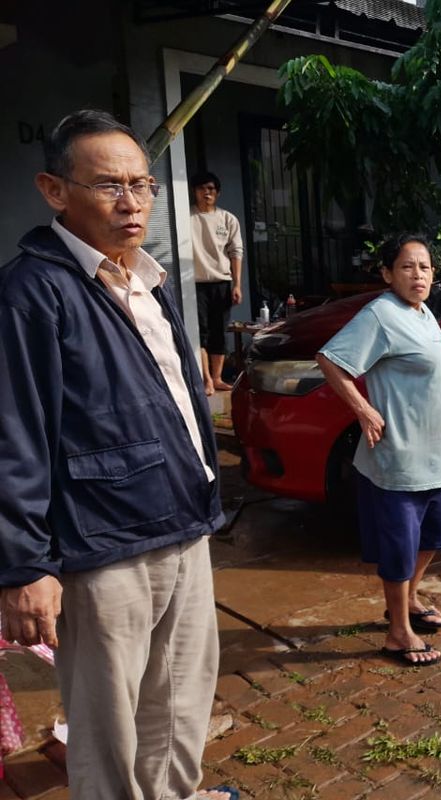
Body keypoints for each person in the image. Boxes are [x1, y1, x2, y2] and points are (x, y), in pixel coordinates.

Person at [0, 110, 235, 800]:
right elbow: (15, 433)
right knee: (110, 729)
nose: (130, 201)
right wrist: (26, 565)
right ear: (53, 189)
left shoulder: (148, 281)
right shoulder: (31, 293)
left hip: (182, 526)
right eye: (108, 185)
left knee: (180, 706)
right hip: (102, 548)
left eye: (141, 184)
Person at [316, 234, 441, 666]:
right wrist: (363, 410)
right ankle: (398, 633)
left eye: (425, 267)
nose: (418, 275)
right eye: (406, 267)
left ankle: (410, 601)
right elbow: (331, 360)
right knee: (399, 547)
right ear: (387, 274)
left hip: (438, 457)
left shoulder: (422, 312)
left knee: (437, 533)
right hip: (398, 459)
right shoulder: (380, 314)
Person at [189, 171, 244, 395]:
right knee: (200, 332)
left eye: (211, 189)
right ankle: (206, 381)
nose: (207, 192)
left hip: (222, 281)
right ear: (195, 191)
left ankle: (217, 378)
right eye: (202, 188)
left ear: (218, 192)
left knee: (219, 331)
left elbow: (236, 252)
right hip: (195, 283)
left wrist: (237, 284)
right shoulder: (186, 217)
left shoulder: (228, 219)